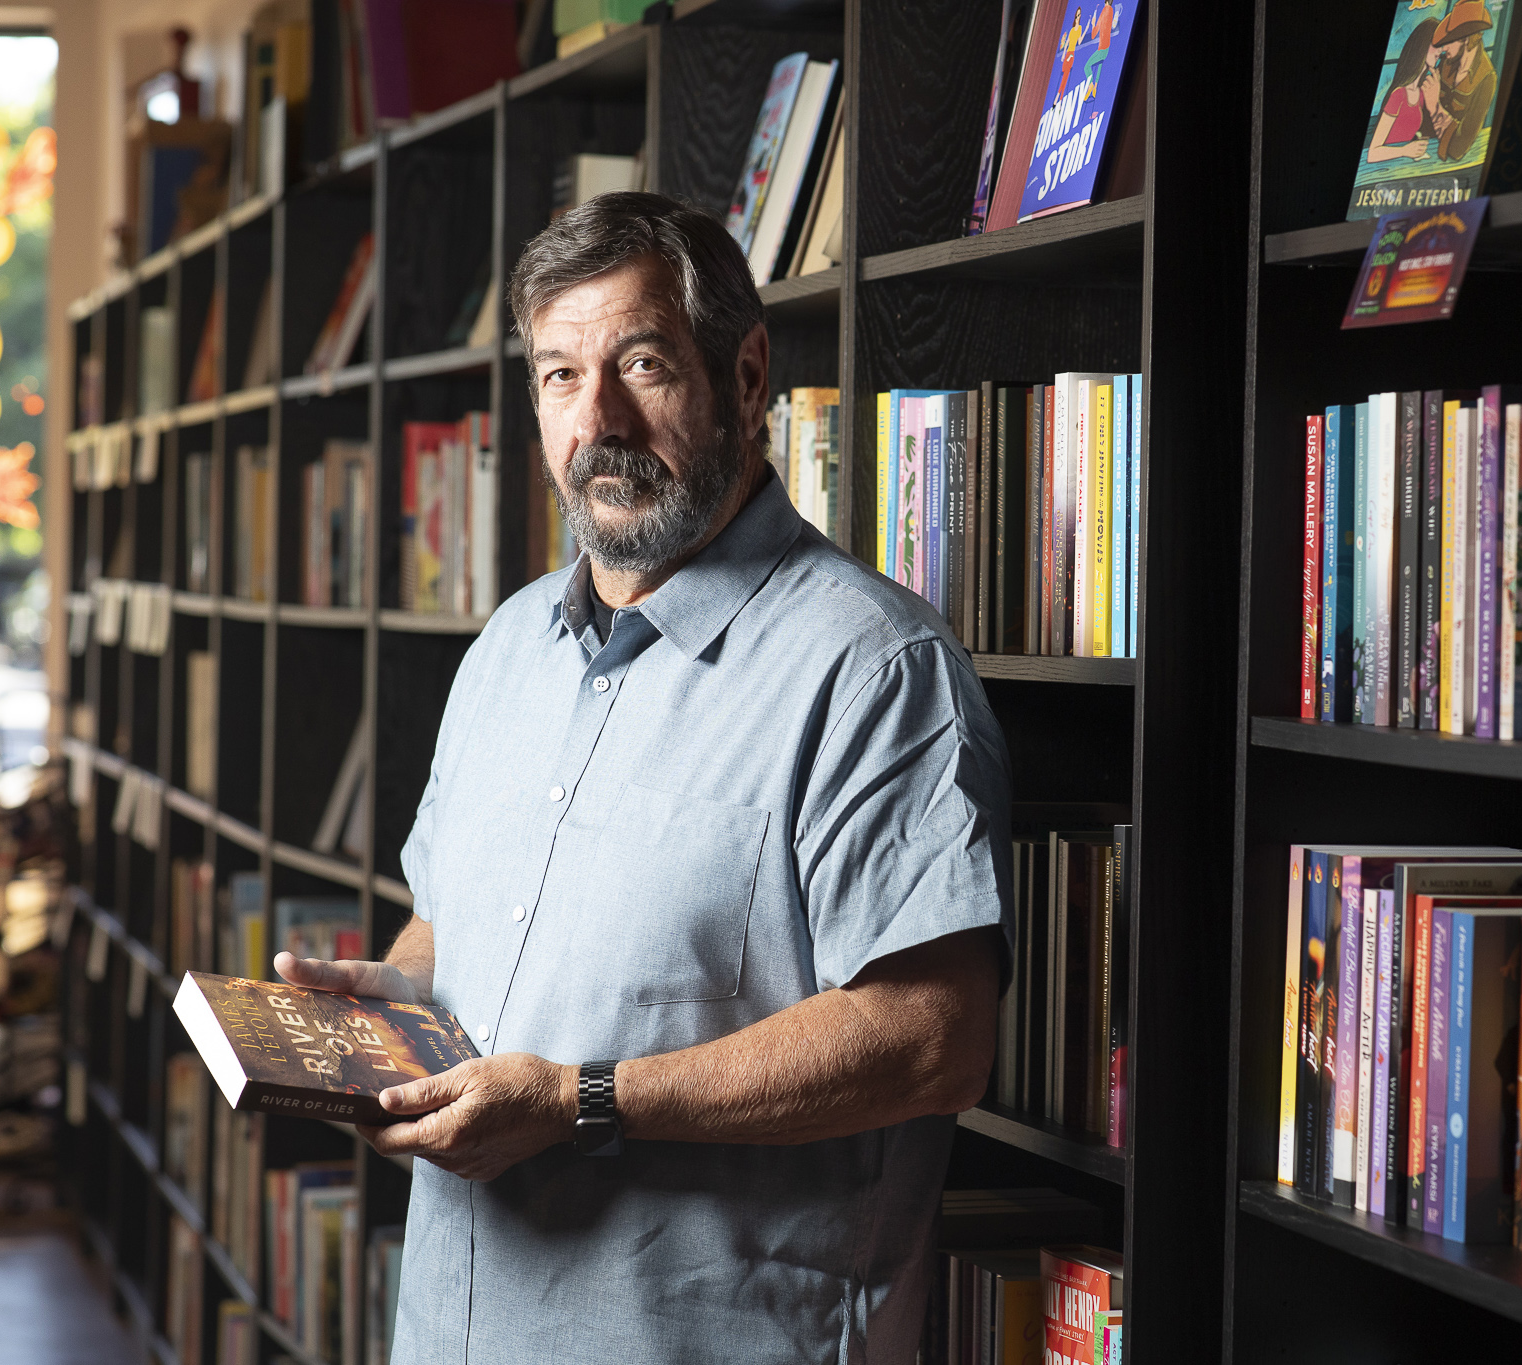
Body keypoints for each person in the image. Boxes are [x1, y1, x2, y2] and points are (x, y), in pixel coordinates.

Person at [276, 192, 1013, 1364]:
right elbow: (441, 924)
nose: (598, 419)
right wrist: (386, 1029)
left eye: (642, 362)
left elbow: (935, 1037)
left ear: (747, 371)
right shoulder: (505, 647)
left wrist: (583, 1101)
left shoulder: (873, 668)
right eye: (560, 376)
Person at [1364, 17, 1442, 165]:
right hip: (1382, 168)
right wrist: (1405, 150)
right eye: (1436, 44)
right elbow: (1372, 153)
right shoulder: (1398, 95)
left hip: (1402, 166)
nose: (1441, 50)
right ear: (1422, 45)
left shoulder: (1420, 94)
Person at [1428, 1, 1497, 162]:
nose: (1443, 49)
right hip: (1423, 151)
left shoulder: (1487, 78)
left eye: (1449, 41)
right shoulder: (1446, 62)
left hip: (1452, 164)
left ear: (1465, 39)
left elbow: (1459, 146)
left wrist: (1434, 106)